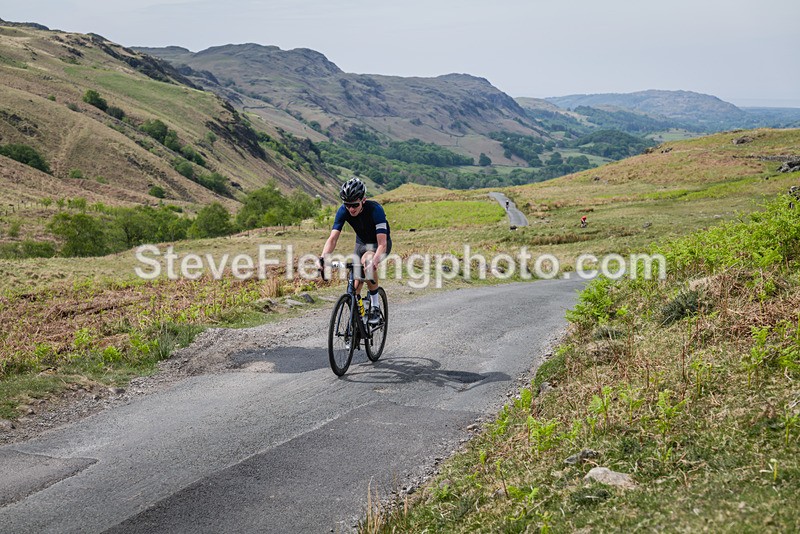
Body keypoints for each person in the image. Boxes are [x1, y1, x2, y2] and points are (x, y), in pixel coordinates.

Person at [320, 177, 392, 324]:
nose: (351, 209)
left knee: (368, 261)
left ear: (363, 200)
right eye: (347, 205)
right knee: (355, 287)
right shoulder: (343, 211)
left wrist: (374, 262)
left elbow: (382, 244)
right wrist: (323, 258)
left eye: (354, 205)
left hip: (379, 245)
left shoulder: (376, 210)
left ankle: (375, 308)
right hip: (361, 244)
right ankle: (356, 323)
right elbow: (332, 239)